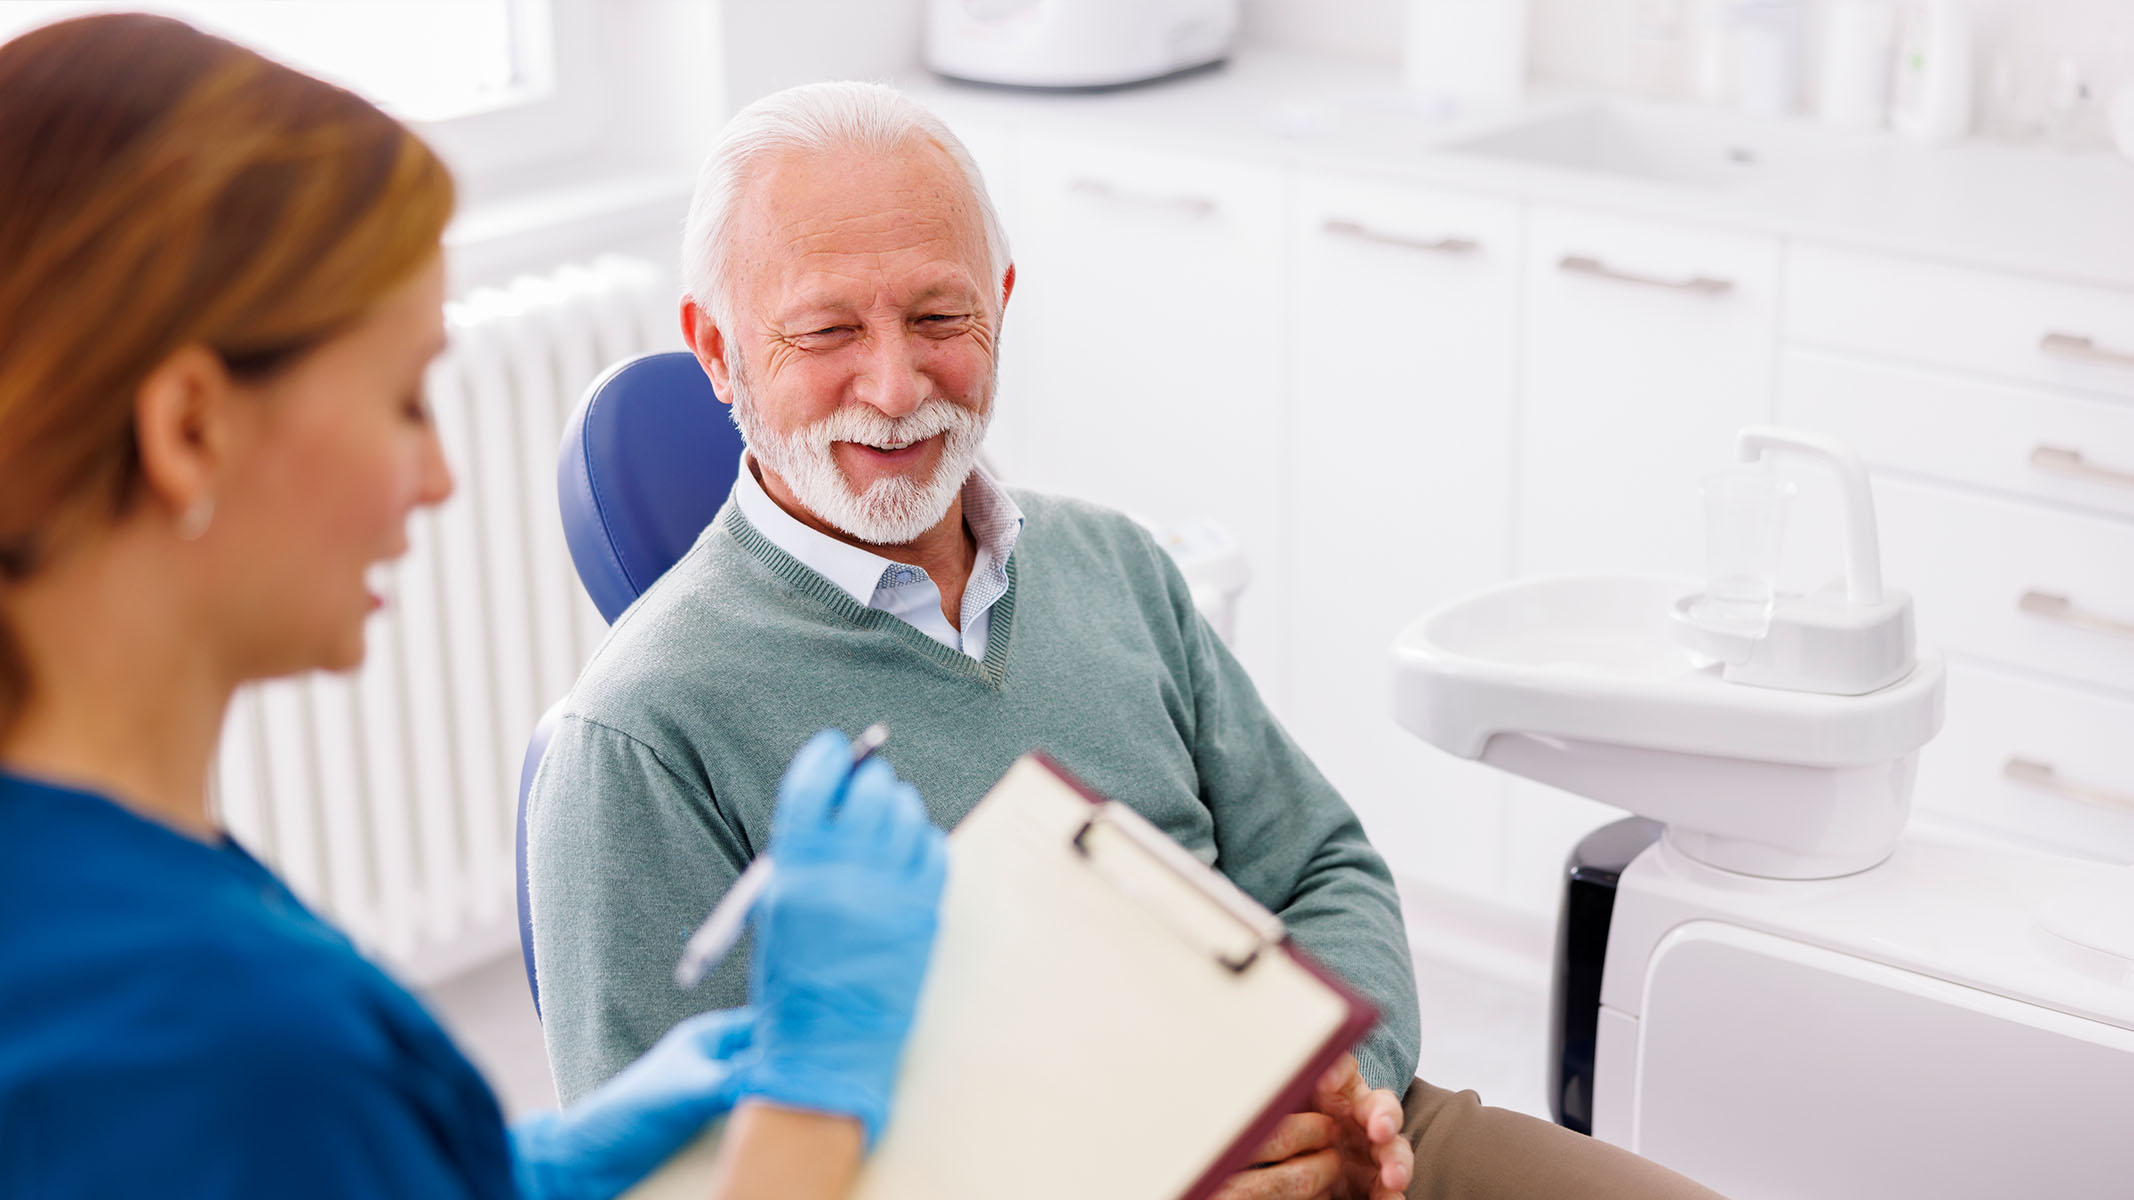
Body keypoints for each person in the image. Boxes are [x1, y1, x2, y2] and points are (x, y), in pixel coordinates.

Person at [526, 81, 1724, 1200]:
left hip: (1342, 1145)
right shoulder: (637, 738)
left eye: (939, 315)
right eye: (826, 332)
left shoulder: (1114, 566)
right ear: (719, 352)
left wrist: (1332, 1090)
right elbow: (678, 1183)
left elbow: (1321, 869)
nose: (892, 388)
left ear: (999, 305)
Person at [0, 16, 944, 1199]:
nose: (438, 475)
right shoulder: (212, 1037)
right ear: (190, 429)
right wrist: (814, 1086)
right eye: (403, 401)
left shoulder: (84, 877)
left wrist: (489, 1175)